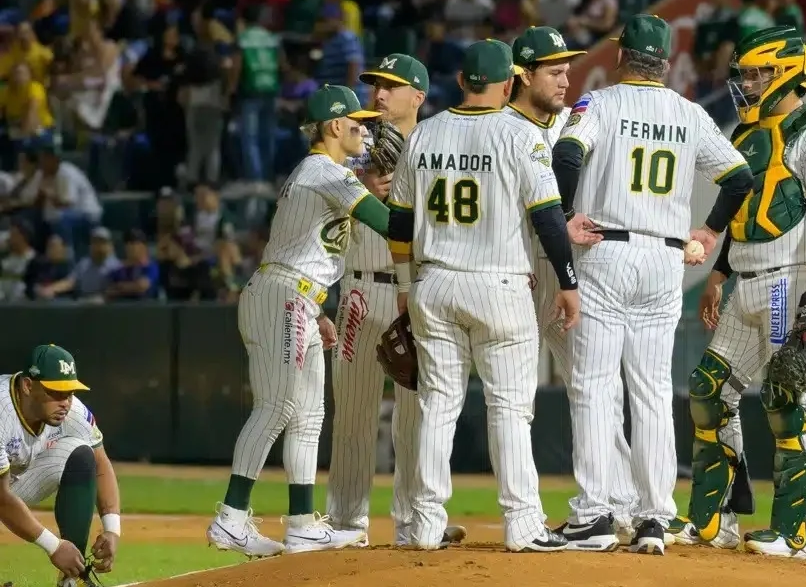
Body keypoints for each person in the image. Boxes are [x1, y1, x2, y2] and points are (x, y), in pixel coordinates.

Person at [549, 14, 753, 555]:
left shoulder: (599, 103)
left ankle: (595, 514)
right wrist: (709, 233)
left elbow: (566, 155)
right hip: (664, 258)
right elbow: (738, 177)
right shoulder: (689, 113)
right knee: (653, 390)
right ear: (664, 62)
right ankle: (655, 519)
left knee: (594, 385)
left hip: (605, 249)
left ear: (621, 57)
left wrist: (565, 213)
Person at [387, 39, 579, 553]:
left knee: (436, 406)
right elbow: (548, 219)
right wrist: (568, 282)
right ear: (510, 82)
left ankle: (424, 525)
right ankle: (523, 524)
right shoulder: (520, 134)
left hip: (434, 282)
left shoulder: (423, 134)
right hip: (498, 282)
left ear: (460, 81)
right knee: (510, 409)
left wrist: (405, 287)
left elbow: (400, 222)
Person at [671, 26, 806, 559]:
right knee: (707, 391)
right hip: (747, 280)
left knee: (787, 398)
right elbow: (745, 215)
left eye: (756, 73)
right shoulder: (746, 133)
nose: (746, 83)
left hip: (787, 285)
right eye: (744, 73)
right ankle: (713, 523)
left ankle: (797, 534)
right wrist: (719, 276)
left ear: (787, 72)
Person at [205, 84, 397, 557]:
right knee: (275, 407)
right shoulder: (324, 173)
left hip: (300, 297)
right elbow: (395, 226)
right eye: (358, 122)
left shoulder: (326, 174)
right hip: (283, 295)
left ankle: (301, 524)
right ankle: (230, 517)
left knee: (309, 416)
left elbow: (318, 245)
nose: (366, 130)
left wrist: (320, 307)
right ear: (334, 126)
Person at [506, 25, 639, 551]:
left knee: (594, 387)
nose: (566, 79)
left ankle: (620, 506)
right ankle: (527, 516)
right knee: (516, 398)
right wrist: (560, 218)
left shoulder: (574, 121)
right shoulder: (499, 126)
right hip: (512, 271)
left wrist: (572, 222)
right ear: (523, 74)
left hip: (564, 270)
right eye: (554, 70)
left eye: (568, 69)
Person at [324, 53, 464, 548]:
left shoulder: (438, 147)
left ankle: (414, 521)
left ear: (418, 97)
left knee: (417, 418)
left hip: (418, 293)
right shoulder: (351, 148)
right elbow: (318, 214)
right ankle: (344, 524)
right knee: (355, 416)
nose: (379, 94)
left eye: (391, 86)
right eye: (375, 85)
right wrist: (357, 189)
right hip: (360, 288)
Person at [1, 345, 121, 587]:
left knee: (80, 453)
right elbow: (0, 498)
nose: (65, 402)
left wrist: (112, 530)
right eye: (55, 392)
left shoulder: (71, 410)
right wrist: (53, 545)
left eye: (69, 392)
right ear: (27, 386)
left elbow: (101, 463)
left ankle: (71, 579)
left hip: (12, 481)